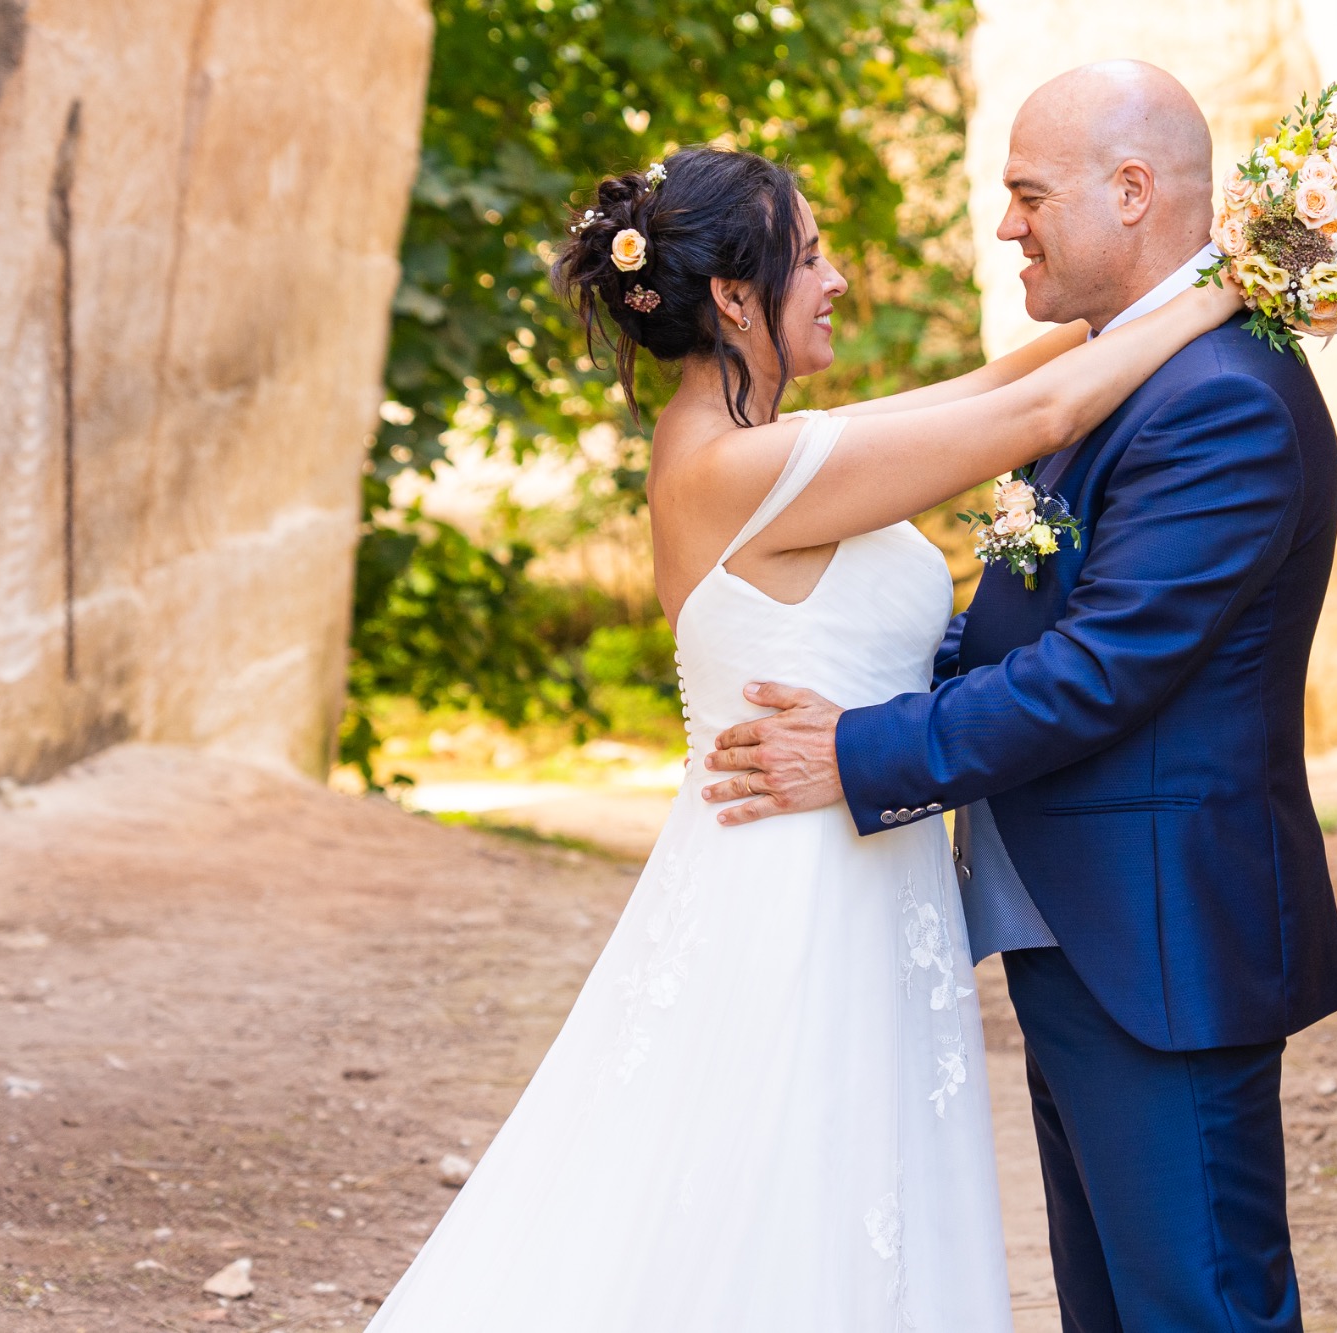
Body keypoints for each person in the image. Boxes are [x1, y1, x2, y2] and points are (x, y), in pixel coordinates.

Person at [361, 142, 1240, 1330]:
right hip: (797, 889)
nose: (836, 281)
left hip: (841, 864)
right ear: (733, 299)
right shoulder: (750, 468)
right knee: (786, 1199)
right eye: (811, 258)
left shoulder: (763, 447)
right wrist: (1242, 280)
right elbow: (1038, 412)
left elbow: (1002, 379)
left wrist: (1178, 279)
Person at [704, 62, 1337, 1332]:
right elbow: (1032, 620)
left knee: (1197, 1307)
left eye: (1028, 195)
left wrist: (859, 752)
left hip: (1157, 936)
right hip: (1082, 928)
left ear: (1132, 192)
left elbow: (1099, 669)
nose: (1006, 225)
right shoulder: (1126, 373)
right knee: (1111, 1308)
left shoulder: (1219, 400)